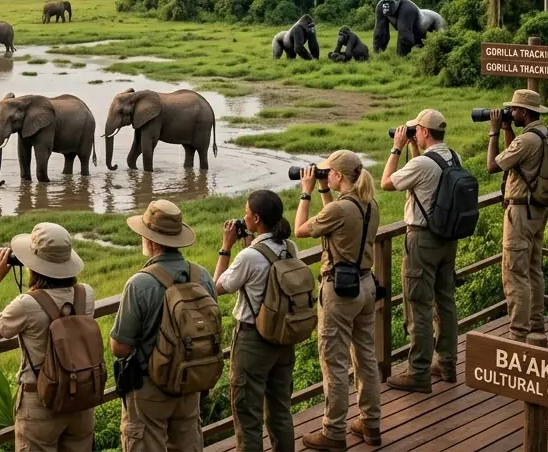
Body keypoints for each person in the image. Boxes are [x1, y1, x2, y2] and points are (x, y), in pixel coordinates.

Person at [0, 223, 96, 452]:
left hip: (40, 403)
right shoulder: (86, 293)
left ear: (33, 265)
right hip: (81, 397)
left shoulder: (27, 305)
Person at [110, 199, 216, 452]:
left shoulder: (139, 284)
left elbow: (120, 348)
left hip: (149, 388)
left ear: (150, 240)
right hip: (190, 380)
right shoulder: (201, 275)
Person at [295, 151, 382, 450]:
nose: (323, 175)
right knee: (366, 358)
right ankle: (371, 423)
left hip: (340, 292)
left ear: (339, 177)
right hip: (367, 284)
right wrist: (323, 189)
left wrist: (306, 193)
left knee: (335, 363)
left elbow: (301, 229)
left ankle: (333, 431)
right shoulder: (370, 204)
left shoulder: (341, 209)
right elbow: (337, 221)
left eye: (327, 173)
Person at [380, 109, 459, 390]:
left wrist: (396, 147)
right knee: (445, 302)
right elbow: (423, 178)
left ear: (424, 131)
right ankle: (447, 364)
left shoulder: (423, 163)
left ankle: (419, 372)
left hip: (422, 240)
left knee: (419, 306)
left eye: (416, 130)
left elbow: (387, 182)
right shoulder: (452, 155)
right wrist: (414, 147)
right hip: (447, 239)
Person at [213, 190, 296, 452]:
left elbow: (217, 286)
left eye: (246, 212)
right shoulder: (289, 247)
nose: (243, 216)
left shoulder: (249, 256)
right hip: (284, 336)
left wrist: (226, 246)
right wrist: (252, 243)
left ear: (256, 218)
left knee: (248, 416)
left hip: (253, 340)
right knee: (280, 409)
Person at [486, 89, 548, 345]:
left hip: (520, 214)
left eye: (514, 110)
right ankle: (536, 327)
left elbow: (493, 165)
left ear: (524, 112)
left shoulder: (527, 141)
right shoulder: (542, 134)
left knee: (515, 273)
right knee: (534, 269)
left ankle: (518, 333)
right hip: (537, 210)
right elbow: (516, 160)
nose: (510, 113)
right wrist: (506, 129)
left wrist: (493, 130)